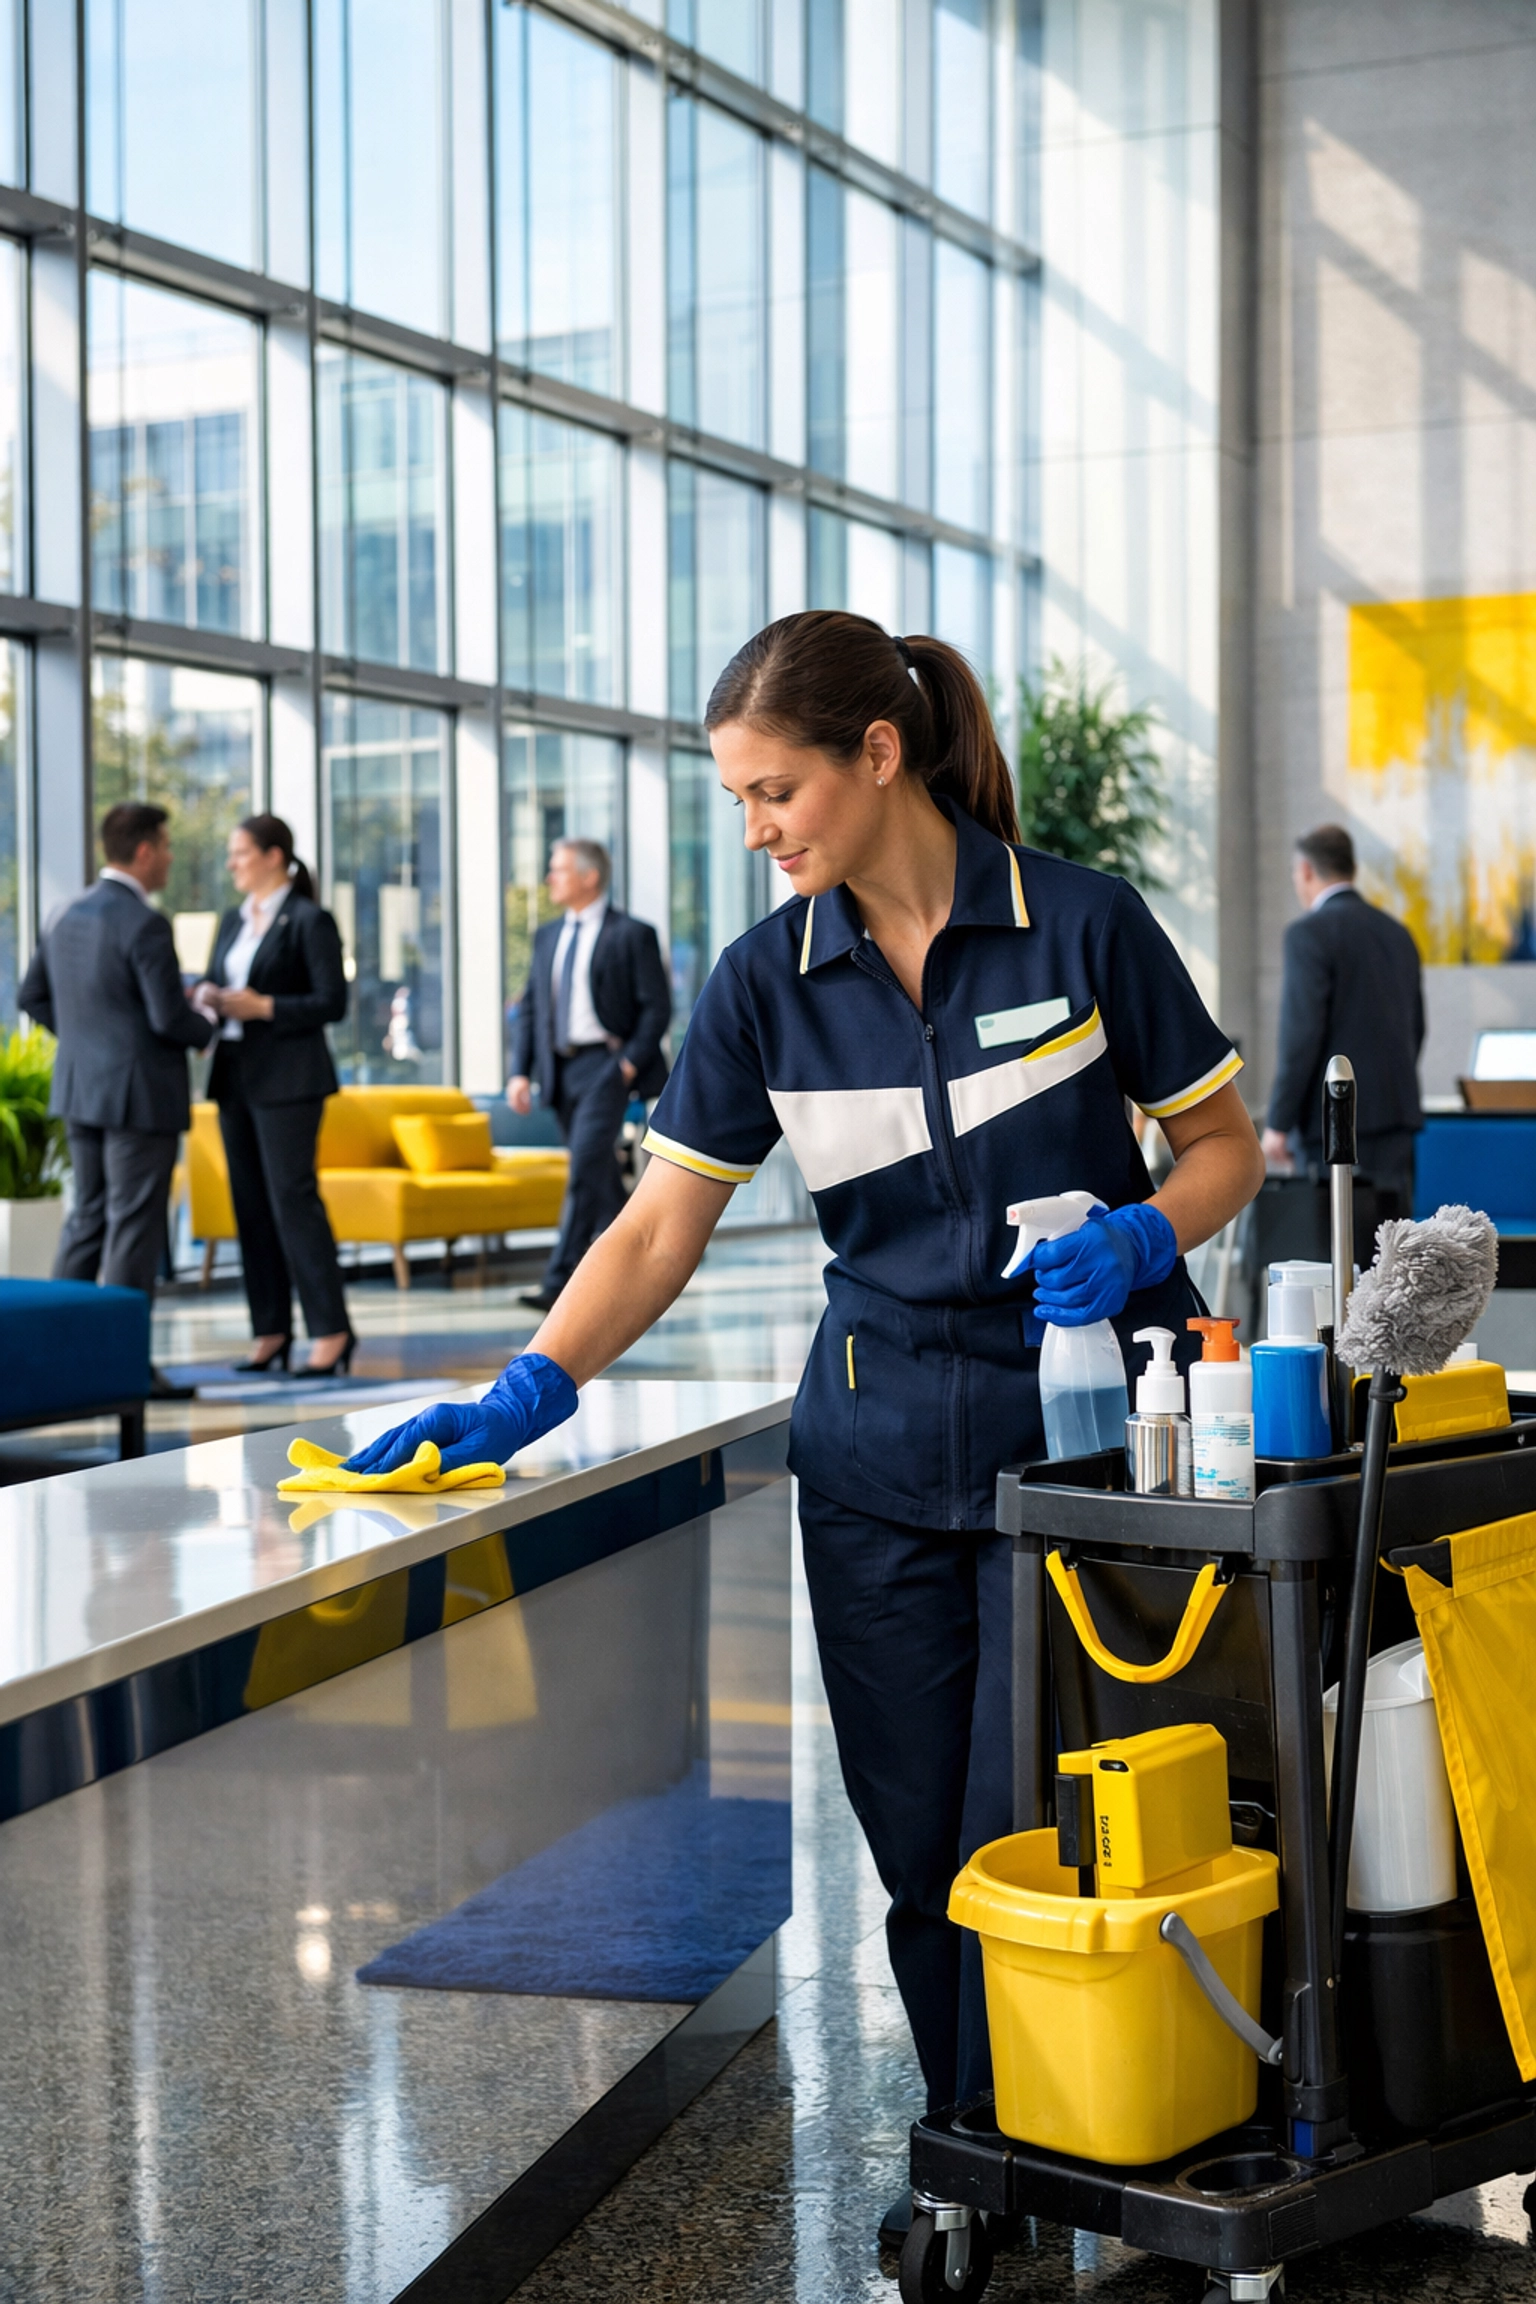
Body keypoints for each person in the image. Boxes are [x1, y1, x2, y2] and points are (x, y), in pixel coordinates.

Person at [347, 612, 1265, 2218]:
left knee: (1046, 1817)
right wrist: (526, 1387)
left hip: (1088, 1454)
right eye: (741, 801)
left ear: (879, 757)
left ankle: (1099, 2130)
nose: (758, 829)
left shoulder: (1081, 926)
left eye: (775, 792)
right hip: (873, 1462)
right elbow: (654, 1230)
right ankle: (982, 2145)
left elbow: (1225, 1148)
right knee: (920, 1844)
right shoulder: (766, 983)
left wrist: (1144, 1231)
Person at [19, 801, 217, 1396]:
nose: (172, 856)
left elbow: (33, 996)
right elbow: (167, 1018)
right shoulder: (144, 922)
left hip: (82, 1089)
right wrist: (205, 1020)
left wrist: (89, 1043)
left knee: (86, 1222)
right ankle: (126, 1367)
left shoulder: (64, 911)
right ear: (145, 850)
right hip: (139, 1098)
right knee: (134, 1229)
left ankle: (52, 1358)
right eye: (167, 844)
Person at [193, 815, 353, 1377]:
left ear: (273, 855)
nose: (232, 863)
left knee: (293, 1202)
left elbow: (333, 1001)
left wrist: (265, 1007)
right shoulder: (234, 922)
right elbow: (218, 979)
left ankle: (331, 1331)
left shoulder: (309, 920)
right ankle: (271, 1330)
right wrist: (210, 997)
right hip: (235, 1075)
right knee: (250, 1206)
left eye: (241, 853)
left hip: (289, 1080)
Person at [505, 838, 670, 1312]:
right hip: (559, 1069)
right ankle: (646, 1259)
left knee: (583, 1168)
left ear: (589, 876)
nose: (549, 878)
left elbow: (656, 1008)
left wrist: (627, 1065)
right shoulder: (547, 936)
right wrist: (520, 1073)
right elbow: (532, 1008)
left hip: (606, 1067)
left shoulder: (632, 934)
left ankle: (559, 1282)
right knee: (598, 1174)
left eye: (557, 869)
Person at [1261, 822, 1424, 1213]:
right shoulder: (1397, 933)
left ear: (1305, 871)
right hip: (1395, 1116)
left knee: (1333, 1249)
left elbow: (1301, 1037)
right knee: (1392, 1252)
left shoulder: (1308, 934)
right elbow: (1415, 1026)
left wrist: (1278, 1123)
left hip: (1331, 1124)